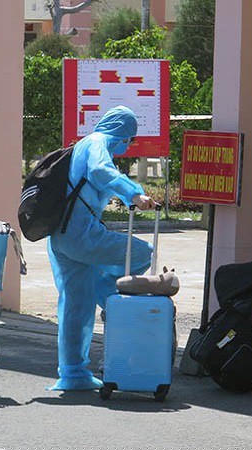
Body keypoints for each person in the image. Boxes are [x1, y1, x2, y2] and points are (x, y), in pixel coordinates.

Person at [47, 106, 157, 391]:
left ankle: (72, 373)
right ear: (122, 132)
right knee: (143, 253)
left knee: (76, 307)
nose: (128, 145)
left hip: (60, 236)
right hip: (82, 235)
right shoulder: (97, 143)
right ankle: (109, 295)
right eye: (130, 139)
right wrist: (135, 193)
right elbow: (100, 171)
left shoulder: (83, 144)